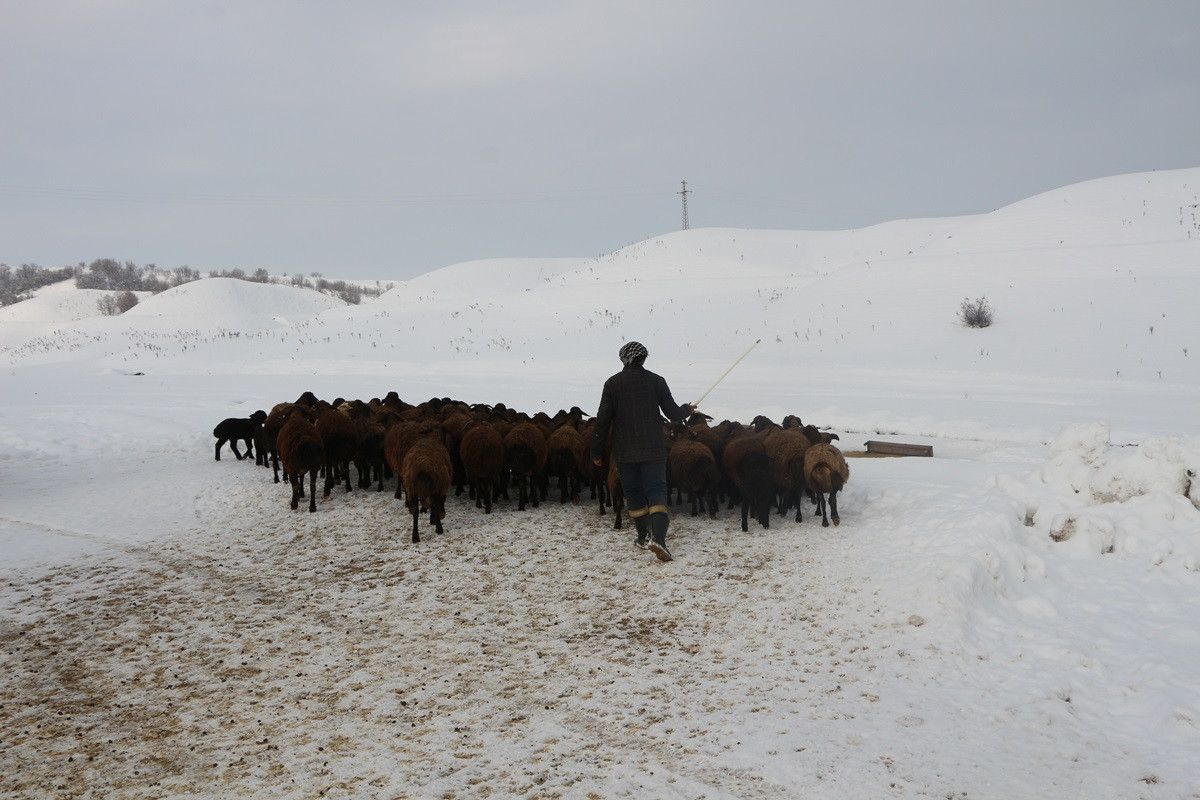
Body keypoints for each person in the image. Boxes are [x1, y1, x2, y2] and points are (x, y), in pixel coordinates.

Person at [591, 341, 694, 561]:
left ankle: (642, 535)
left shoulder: (612, 384)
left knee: (634, 494)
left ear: (624, 359)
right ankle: (659, 540)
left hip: (625, 452)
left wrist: (596, 452)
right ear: (644, 358)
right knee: (657, 493)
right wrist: (686, 409)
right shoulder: (657, 381)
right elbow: (673, 413)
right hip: (654, 450)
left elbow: (602, 421)